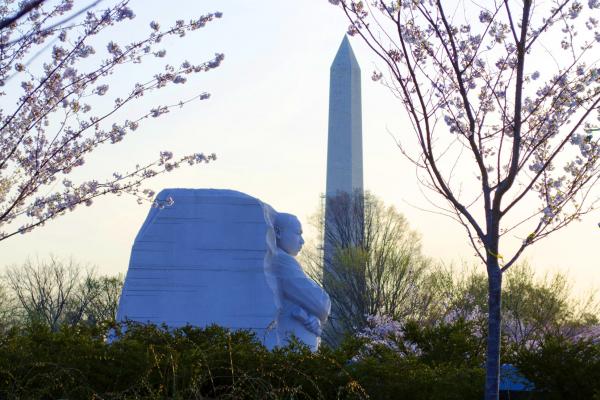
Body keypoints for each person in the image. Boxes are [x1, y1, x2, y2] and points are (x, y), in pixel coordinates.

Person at [272, 212, 331, 350]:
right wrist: (317, 311)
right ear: (278, 233)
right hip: (289, 347)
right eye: (298, 233)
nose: (302, 241)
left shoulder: (282, 260)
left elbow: (307, 304)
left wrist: (312, 316)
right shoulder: (282, 261)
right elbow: (320, 303)